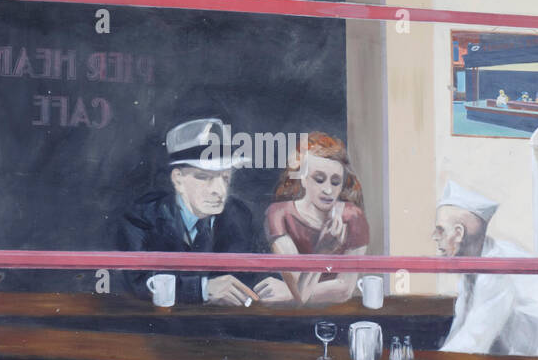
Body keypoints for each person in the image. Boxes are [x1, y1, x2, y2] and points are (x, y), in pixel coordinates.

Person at [117, 118, 291, 305]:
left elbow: (257, 267)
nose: (220, 190)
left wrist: (279, 284)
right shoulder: (143, 216)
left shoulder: (239, 215)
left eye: (225, 177)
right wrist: (202, 289)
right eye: (204, 177)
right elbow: (138, 282)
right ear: (178, 179)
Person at [432, 179, 538, 359]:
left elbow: (474, 341)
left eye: (440, 230)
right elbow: (461, 331)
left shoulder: (495, 270)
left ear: (459, 234)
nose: (434, 237)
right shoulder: (476, 267)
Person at [265, 133, 369, 304]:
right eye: (319, 179)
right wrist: (322, 251)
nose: (328, 190)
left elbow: (344, 290)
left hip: (336, 312)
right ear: (303, 180)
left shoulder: (353, 217)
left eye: (335, 182)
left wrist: (289, 294)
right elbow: (301, 291)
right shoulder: (279, 214)